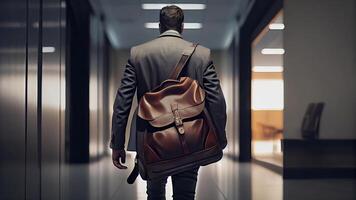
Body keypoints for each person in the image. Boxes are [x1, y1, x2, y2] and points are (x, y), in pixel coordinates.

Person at [110, 5, 227, 200]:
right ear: (182, 26)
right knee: (185, 195)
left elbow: (123, 101)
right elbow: (216, 100)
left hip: (150, 137)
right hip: (191, 136)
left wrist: (117, 143)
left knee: (154, 194)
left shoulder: (138, 54)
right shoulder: (202, 54)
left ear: (159, 26)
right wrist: (220, 137)